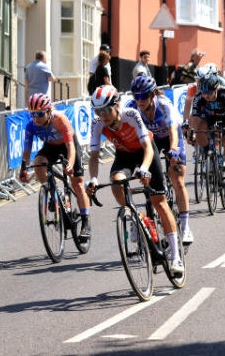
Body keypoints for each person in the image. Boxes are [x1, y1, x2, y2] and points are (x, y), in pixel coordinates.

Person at [86, 86, 184, 276]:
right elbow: (94, 155)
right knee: (116, 183)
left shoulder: (130, 114)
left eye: (106, 110)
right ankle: (133, 217)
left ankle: (176, 256)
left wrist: (145, 169)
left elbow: (147, 148)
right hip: (125, 156)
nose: (103, 115)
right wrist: (93, 179)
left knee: (159, 203)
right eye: (98, 111)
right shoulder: (97, 123)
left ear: (117, 106)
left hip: (146, 153)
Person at [126, 75, 193, 245]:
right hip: (151, 140)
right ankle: (148, 220)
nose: (140, 100)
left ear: (153, 94)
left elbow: (172, 129)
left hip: (171, 137)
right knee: (148, 179)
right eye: (136, 96)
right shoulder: (132, 108)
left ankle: (185, 227)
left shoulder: (163, 104)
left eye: (144, 96)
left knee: (177, 180)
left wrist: (172, 151)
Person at [18, 94, 91, 242]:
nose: (36, 118)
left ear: (49, 111)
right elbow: (27, 152)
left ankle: (85, 222)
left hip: (67, 146)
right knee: (38, 163)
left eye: (39, 114)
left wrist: (70, 164)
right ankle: (52, 192)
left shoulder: (60, 120)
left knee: (77, 183)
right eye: (32, 114)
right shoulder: (31, 126)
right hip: (50, 147)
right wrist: (23, 168)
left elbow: (70, 146)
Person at [186, 73, 225, 201]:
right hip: (209, 117)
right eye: (204, 93)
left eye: (209, 93)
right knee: (199, 130)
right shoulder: (199, 97)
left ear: (216, 89)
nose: (206, 96)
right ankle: (206, 155)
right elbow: (194, 118)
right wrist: (191, 132)